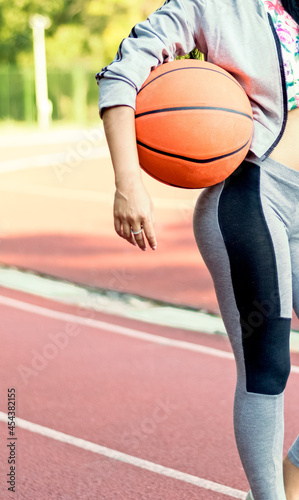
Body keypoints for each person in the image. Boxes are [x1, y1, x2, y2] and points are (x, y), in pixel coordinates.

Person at [96, 0, 299, 498]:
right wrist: (128, 183)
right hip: (251, 200)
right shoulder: (209, 4)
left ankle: (288, 483)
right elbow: (121, 74)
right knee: (267, 363)